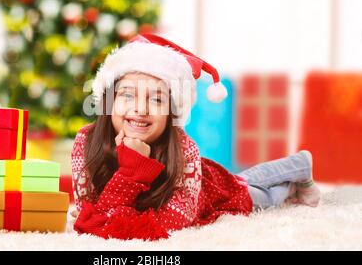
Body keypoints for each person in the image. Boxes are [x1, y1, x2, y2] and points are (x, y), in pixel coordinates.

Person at [70, 34, 321, 240]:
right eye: (127, 95)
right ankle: (299, 165)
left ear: (171, 112)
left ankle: (296, 173)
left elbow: (177, 220)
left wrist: (133, 171)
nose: (141, 109)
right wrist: (131, 170)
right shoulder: (85, 142)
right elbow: (91, 219)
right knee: (245, 180)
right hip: (209, 182)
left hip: (210, 192)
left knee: (259, 196)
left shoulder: (182, 146)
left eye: (157, 99)